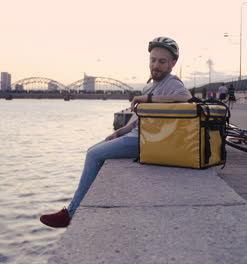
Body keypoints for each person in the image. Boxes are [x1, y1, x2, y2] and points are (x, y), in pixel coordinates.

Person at [39, 37, 192, 228]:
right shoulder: (150, 85)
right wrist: (119, 132)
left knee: (93, 154)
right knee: (95, 149)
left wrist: (148, 98)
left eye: (162, 61)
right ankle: (84, 204)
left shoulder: (172, 82)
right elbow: (139, 118)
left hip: (149, 141)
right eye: (153, 60)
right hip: (138, 136)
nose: (156, 65)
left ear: (172, 63)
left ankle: (71, 213)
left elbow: (186, 97)